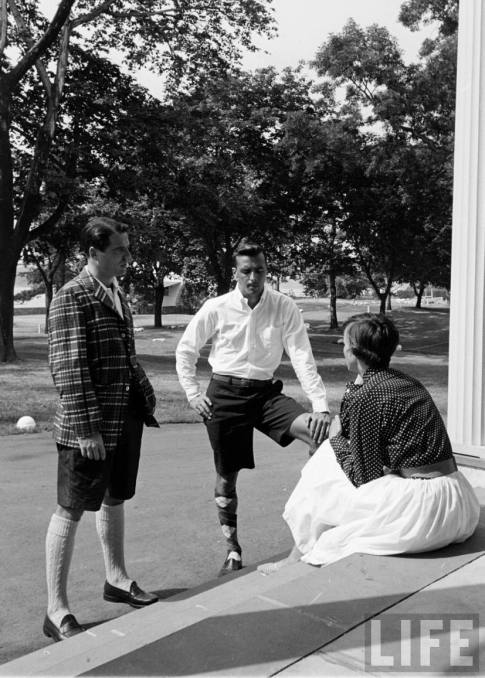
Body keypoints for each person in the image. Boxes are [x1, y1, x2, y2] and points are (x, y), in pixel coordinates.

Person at [259, 313, 480, 574]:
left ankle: (297, 555)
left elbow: (364, 476)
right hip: (459, 507)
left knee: (327, 458)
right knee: (331, 465)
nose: (342, 350)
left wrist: (334, 439)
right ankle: (300, 550)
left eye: (343, 344)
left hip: (424, 517)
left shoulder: (369, 395)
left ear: (354, 352)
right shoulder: (406, 382)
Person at [175, 239, 331, 576]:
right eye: (246, 271)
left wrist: (319, 405)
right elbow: (187, 350)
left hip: (265, 395)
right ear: (236, 272)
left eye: (259, 270)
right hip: (225, 395)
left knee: (322, 436)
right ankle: (232, 550)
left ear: (266, 271)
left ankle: (317, 533)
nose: (253, 277)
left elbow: (301, 354)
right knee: (226, 479)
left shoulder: (283, 305)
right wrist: (192, 393)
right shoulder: (216, 307)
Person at [44, 217, 159, 642]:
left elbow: (126, 357)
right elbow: (69, 370)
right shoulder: (71, 298)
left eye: (127, 249)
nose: (127, 257)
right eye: (119, 251)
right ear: (93, 253)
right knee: (72, 508)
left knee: (116, 497)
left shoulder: (117, 293)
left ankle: (116, 579)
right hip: (88, 426)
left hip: (124, 416)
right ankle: (55, 610)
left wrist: (144, 396)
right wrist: (86, 430)